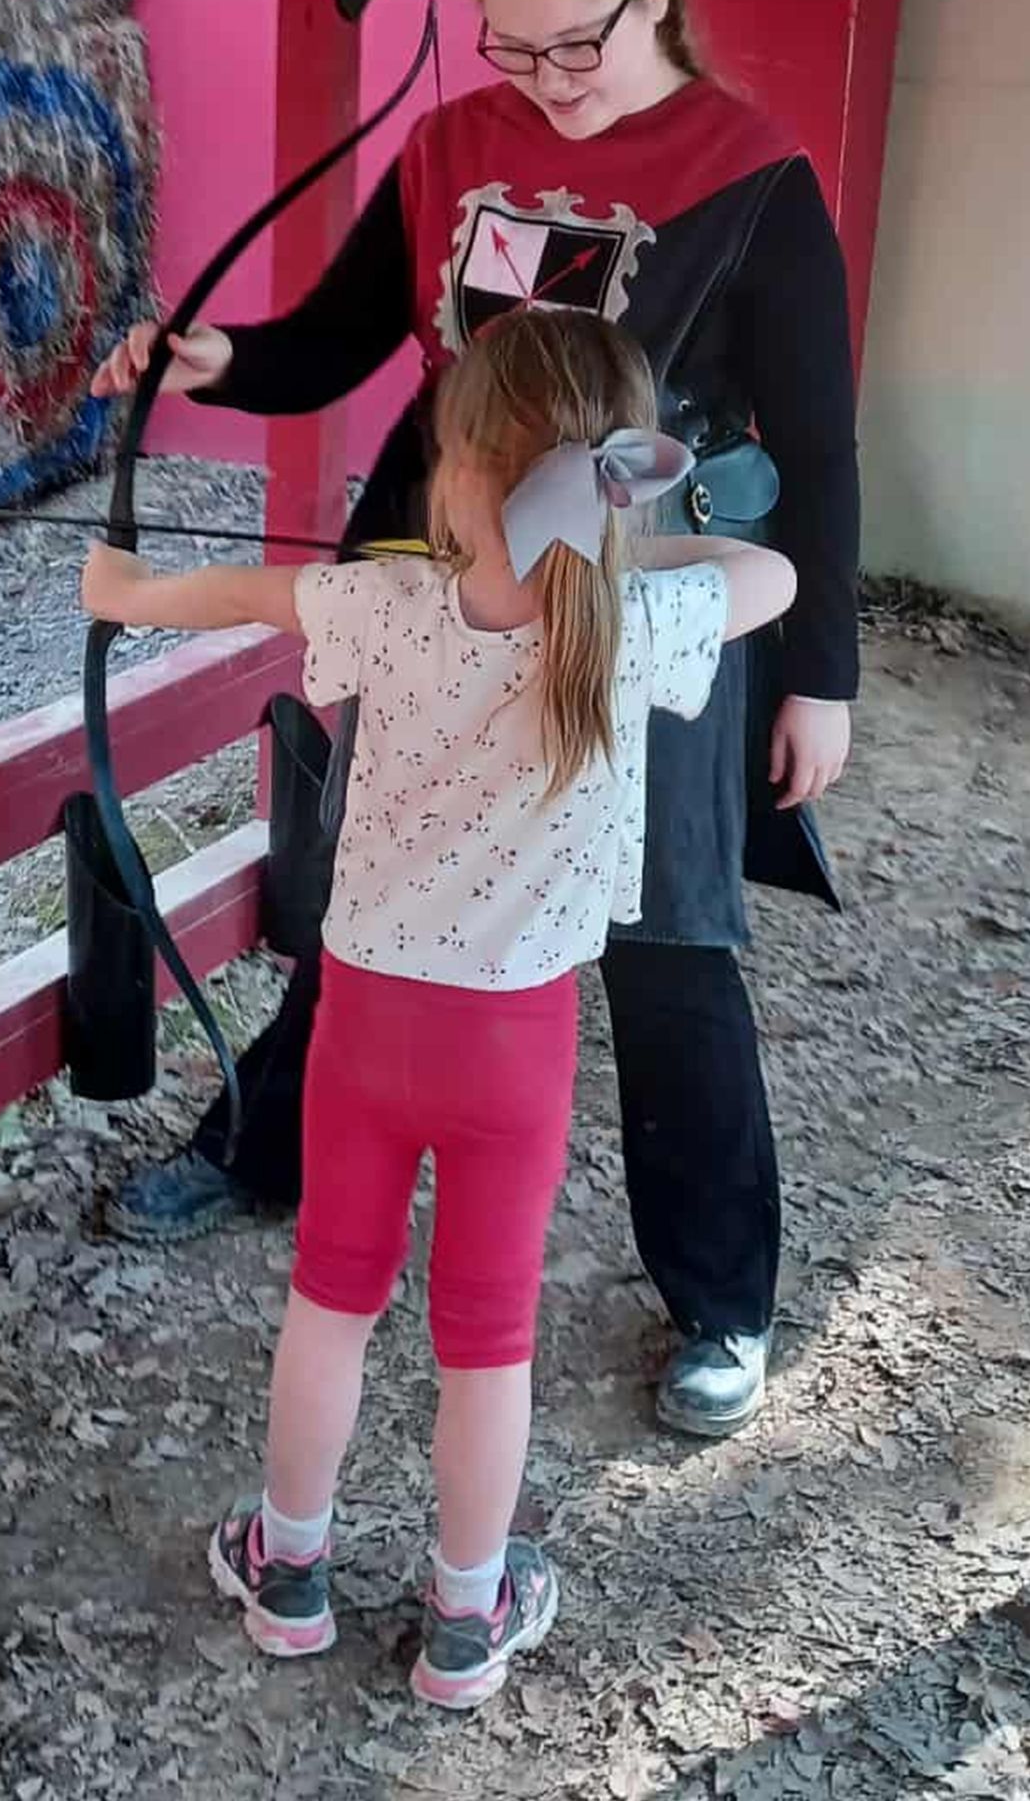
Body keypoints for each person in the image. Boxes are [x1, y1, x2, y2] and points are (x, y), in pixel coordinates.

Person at [93, 0, 859, 1439]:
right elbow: (343, 334)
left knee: (662, 944)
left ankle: (720, 1295)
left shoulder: (753, 173)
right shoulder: (455, 138)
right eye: (510, 50)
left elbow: (824, 454)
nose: (544, 84)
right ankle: (268, 1148)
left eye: (574, 44)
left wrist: (822, 679)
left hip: (630, 602)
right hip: (441, 570)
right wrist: (215, 355)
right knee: (372, 884)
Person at [83, 309, 796, 1708]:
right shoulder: (636, 624)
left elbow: (239, 597)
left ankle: (286, 1571)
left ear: (456, 470)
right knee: (488, 1341)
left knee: (330, 1303)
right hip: (511, 1052)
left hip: (364, 1028)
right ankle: (465, 1620)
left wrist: (123, 589)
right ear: (618, 479)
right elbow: (766, 570)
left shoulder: (389, 607)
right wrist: (648, 547)